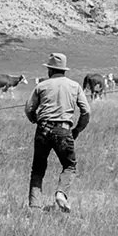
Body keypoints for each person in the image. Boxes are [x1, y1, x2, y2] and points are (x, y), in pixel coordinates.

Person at [24, 53, 91, 212]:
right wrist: (77, 130)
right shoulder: (74, 86)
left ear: (50, 70)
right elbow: (86, 112)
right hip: (63, 130)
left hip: (43, 129)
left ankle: (34, 206)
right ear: (63, 70)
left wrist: (35, 119)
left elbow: (28, 108)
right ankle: (61, 194)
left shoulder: (41, 86)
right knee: (69, 165)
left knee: (38, 168)